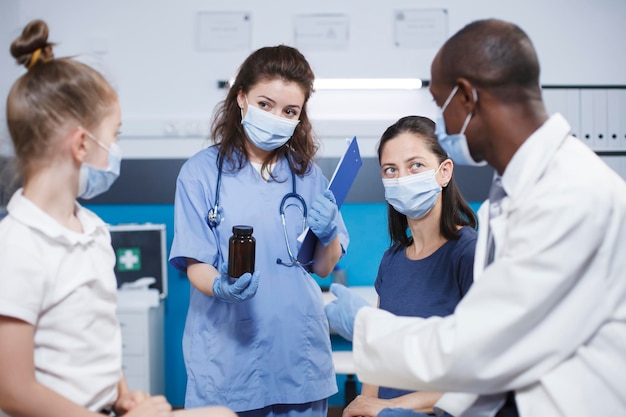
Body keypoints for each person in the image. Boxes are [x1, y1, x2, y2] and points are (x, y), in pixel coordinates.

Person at [325, 18, 626, 417]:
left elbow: (482, 347)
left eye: (439, 103)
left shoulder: (571, 194)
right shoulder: (518, 193)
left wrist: (364, 328)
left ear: (466, 97)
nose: (444, 126)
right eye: (391, 170)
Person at [0, 19, 235, 417]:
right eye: (115, 135)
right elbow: (12, 390)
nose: (115, 148)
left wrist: (124, 394)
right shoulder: (16, 245)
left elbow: (99, 340)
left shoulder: (92, 230)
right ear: (80, 144)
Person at [168, 45, 349, 417]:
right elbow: (195, 262)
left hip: (297, 355)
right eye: (265, 104)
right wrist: (220, 285)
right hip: (226, 359)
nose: (276, 117)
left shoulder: (307, 175)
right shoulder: (201, 174)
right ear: (241, 98)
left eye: (289, 111)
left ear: (300, 117)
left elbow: (324, 267)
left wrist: (329, 233)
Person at [342, 116, 477, 417]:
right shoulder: (391, 261)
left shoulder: (468, 254)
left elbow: (477, 375)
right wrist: (366, 408)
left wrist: (387, 407)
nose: (402, 179)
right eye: (391, 170)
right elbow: (377, 358)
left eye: (415, 165)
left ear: (444, 172)